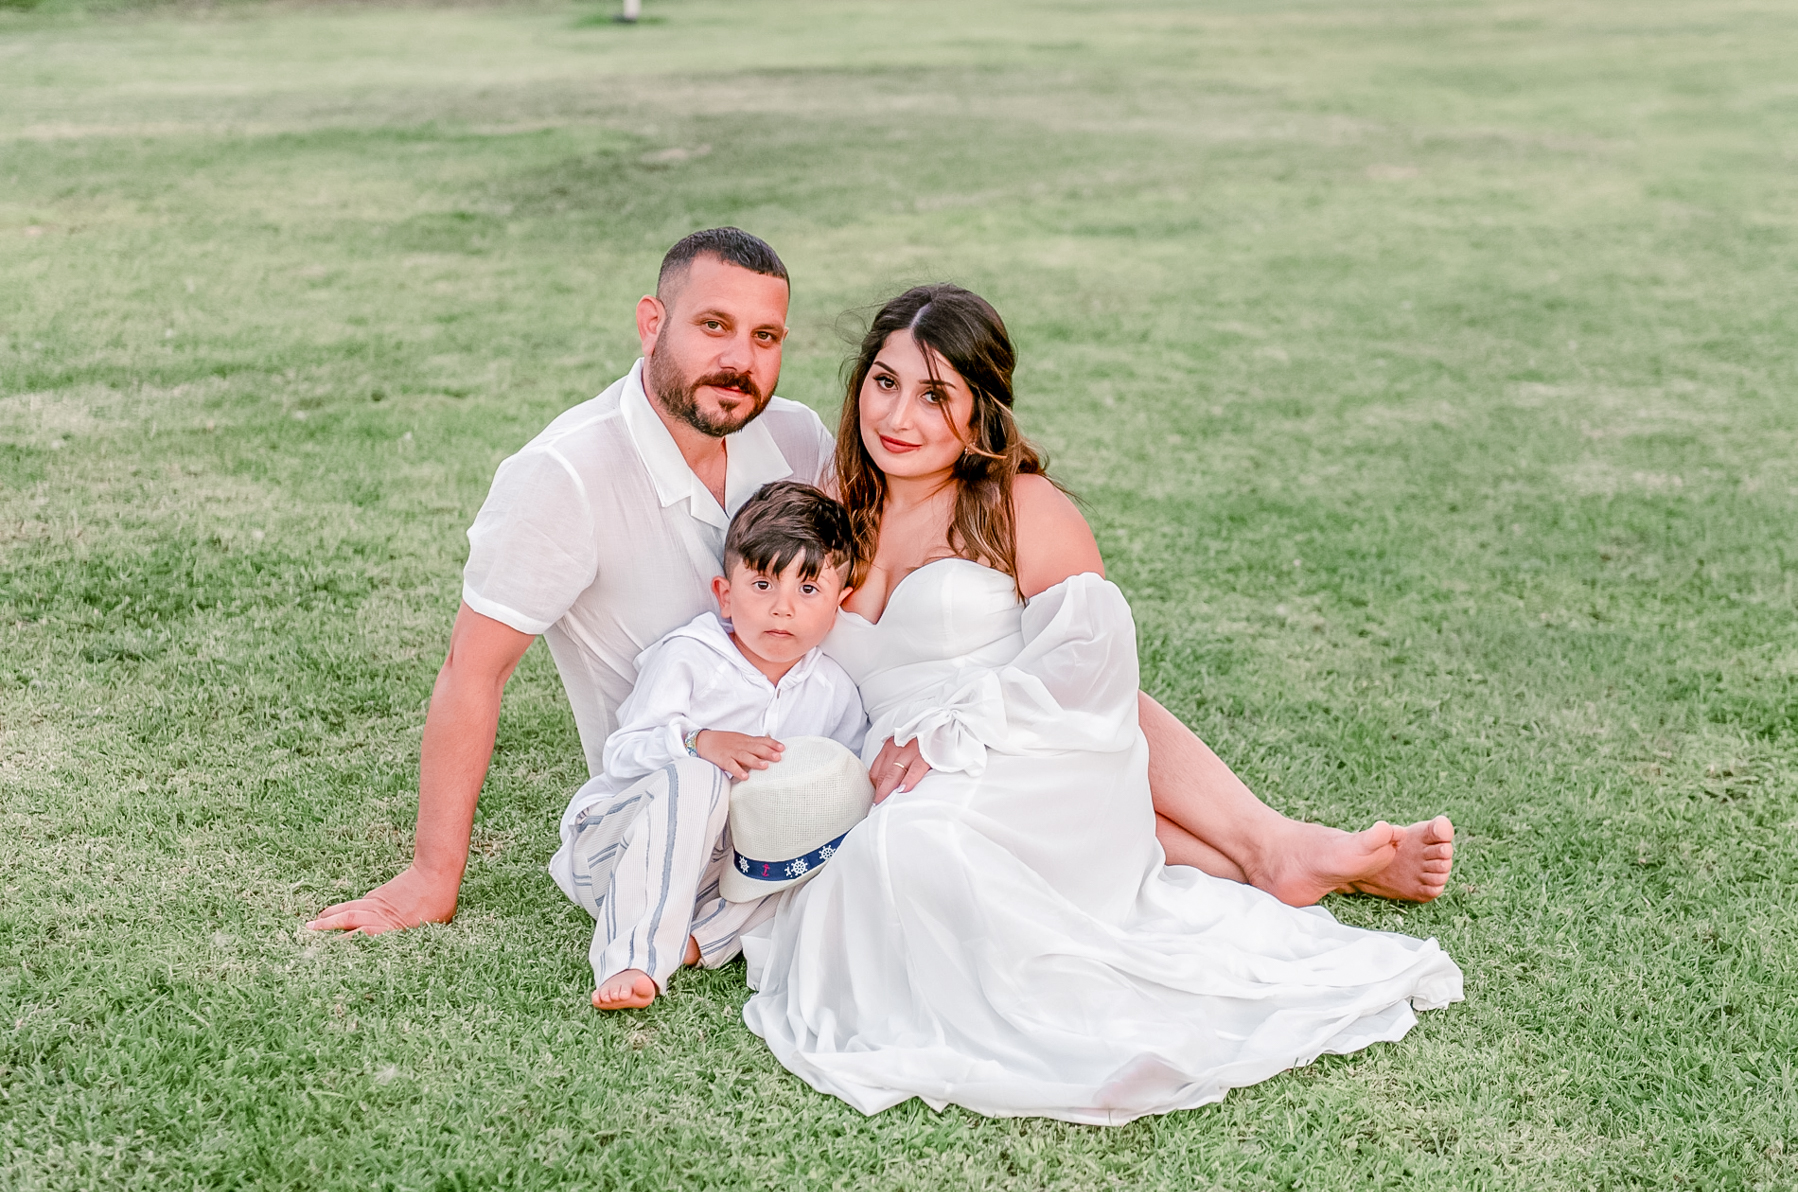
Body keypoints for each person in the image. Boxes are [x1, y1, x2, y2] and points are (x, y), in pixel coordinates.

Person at [307, 226, 1451, 938]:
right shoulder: (563, 475)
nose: (738, 361)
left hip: (856, 731)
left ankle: (1271, 847)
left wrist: (961, 695)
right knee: (961, 813)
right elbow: (472, 671)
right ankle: (1268, 852)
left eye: (764, 337)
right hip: (719, 776)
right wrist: (430, 872)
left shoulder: (796, 440)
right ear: (651, 322)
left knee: (1047, 709)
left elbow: (1044, 625)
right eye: (712, 327)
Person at [739, 285, 1463, 1124]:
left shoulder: (1015, 503)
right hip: (902, 765)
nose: (899, 414)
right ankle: (1275, 860)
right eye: (885, 381)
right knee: (900, 850)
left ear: (980, 412)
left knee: (913, 845)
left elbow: (1094, 660)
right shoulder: (833, 505)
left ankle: (1276, 853)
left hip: (1021, 740)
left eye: (936, 395)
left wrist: (952, 729)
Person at [549, 482, 865, 1011]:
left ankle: (701, 940)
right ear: (724, 593)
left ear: (840, 603)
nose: (782, 609)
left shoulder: (833, 690)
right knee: (698, 777)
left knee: (829, 835)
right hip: (617, 850)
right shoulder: (691, 658)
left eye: (808, 590)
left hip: (720, 880)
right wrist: (699, 743)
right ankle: (636, 957)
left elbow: (840, 794)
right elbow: (622, 757)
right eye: (762, 584)